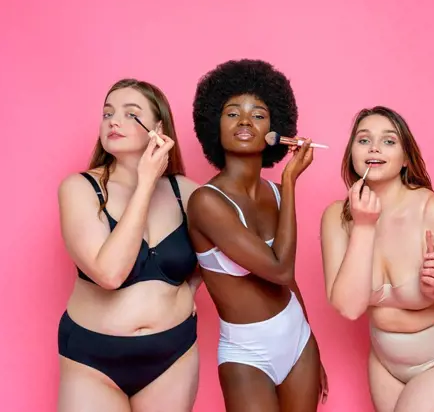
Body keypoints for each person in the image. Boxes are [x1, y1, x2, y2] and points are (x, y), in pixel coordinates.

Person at [187, 59, 328, 411]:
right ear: (214, 126)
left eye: (259, 114)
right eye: (232, 113)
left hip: (298, 340)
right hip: (246, 351)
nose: (246, 121)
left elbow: (287, 284)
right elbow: (280, 268)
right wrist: (293, 181)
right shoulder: (206, 202)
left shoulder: (278, 194)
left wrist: (311, 342)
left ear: (274, 129)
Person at [320, 106, 434, 412]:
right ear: (352, 154)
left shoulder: (432, 211)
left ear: (406, 158)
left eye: (389, 141)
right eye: (364, 140)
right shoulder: (337, 218)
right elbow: (348, 306)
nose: (375, 148)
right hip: (385, 361)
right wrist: (364, 226)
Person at [56, 79, 202, 412]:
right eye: (107, 113)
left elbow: (222, 253)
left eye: (129, 113)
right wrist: (146, 182)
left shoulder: (186, 193)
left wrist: (190, 288)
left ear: (158, 127)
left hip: (173, 355)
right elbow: (110, 273)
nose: (113, 121)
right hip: (92, 360)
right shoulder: (80, 189)